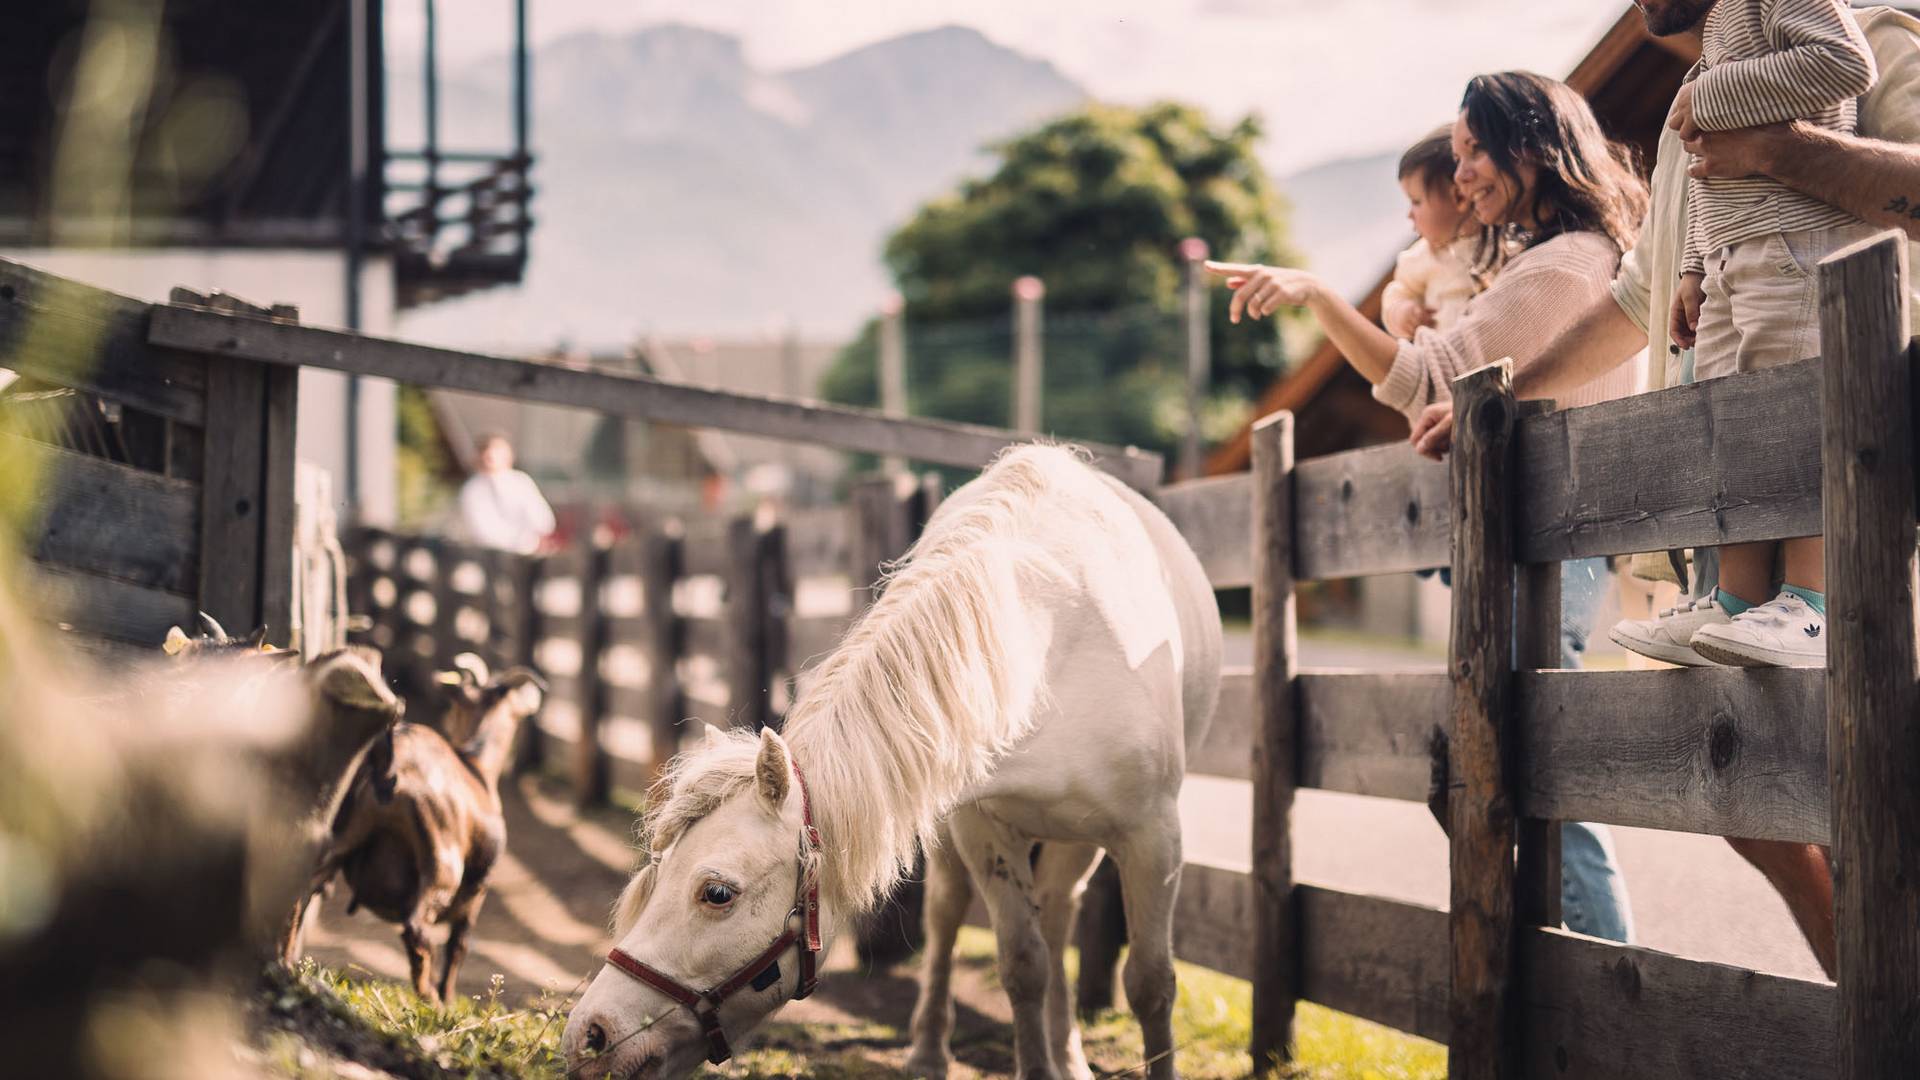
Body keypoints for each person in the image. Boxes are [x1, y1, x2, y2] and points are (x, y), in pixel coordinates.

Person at [1402, 0, 1920, 980]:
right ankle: (1880, 1012)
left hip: (1873, 484)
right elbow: (1642, 300)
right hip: (1743, 481)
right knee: (1761, 797)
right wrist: (1503, 401)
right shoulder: (1695, 103)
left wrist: (1789, 151)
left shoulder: (1878, 35)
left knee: (1871, 794)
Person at [1208, 72, 1649, 944]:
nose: (1465, 175)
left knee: (1534, 785)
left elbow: (1430, 377)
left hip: (1550, 551)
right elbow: (1440, 395)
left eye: (1476, 151)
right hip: (1529, 547)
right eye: (1457, 157)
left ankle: (1602, 992)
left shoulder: (1565, 266)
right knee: (1488, 778)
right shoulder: (1540, 262)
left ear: (1532, 148)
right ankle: (1564, 985)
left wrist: (1321, 298)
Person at [1638, 0, 1880, 669]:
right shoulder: (1716, 29)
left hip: (1790, 240)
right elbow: (1707, 171)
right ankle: (1736, 599)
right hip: (1728, 257)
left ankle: (1812, 605)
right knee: (1731, 426)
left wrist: (1708, 93)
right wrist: (1693, 265)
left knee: (1789, 419)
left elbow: (1844, 63)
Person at [1381, 128, 1480, 340]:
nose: (1409, 214)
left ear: (1459, 197)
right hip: (1444, 363)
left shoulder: (1498, 242)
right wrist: (1402, 312)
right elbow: (1398, 291)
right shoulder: (1423, 256)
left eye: (1416, 201)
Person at [459, 433, 555, 555]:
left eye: (499, 451)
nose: (493, 457)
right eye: (489, 453)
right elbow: (483, 533)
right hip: (491, 557)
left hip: (527, 555)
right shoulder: (472, 490)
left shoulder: (521, 481)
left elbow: (544, 521)